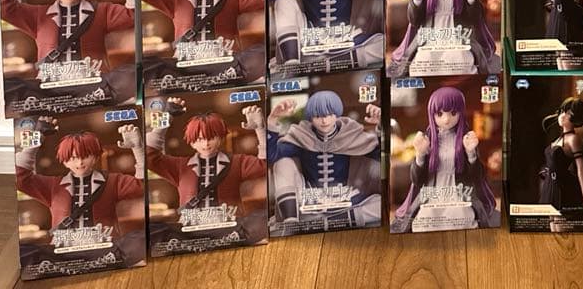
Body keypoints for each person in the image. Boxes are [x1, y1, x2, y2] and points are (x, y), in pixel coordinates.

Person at [0, 0, 136, 108]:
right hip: (52, 87)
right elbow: (3, 6)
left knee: (133, 74)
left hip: (93, 84)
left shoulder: (102, 11)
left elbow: (133, 14)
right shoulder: (39, 15)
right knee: (11, 88)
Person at [15, 115, 145, 266]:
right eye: (72, 158)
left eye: (85, 156)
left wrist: (138, 148)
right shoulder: (53, 185)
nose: (80, 162)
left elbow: (142, 185)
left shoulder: (112, 181)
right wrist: (36, 139)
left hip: (104, 248)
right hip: (63, 251)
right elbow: (20, 178)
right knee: (25, 252)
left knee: (140, 238)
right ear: (64, 161)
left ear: (96, 156)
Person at [145, 98, 267, 244]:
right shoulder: (180, 166)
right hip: (190, 230)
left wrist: (260, 127)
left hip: (229, 228)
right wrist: (166, 116)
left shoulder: (237, 162)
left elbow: (264, 164)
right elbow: (149, 156)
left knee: (261, 218)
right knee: (152, 231)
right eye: (199, 139)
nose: (206, 143)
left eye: (211, 137)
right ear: (191, 142)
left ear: (220, 137)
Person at [267, 90, 381, 234]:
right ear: (310, 117)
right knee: (282, 163)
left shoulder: (351, 135)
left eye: (329, 115)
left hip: (346, 200)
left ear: (337, 114)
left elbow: (381, 155)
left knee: (379, 204)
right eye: (318, 116)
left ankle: (330, 221)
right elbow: (272, 156)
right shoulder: (302, 136)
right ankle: (291, 223)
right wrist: (273, 119)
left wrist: (381, 124)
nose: (324, 121)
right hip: (309, 201)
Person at [391, 85, 498, 233]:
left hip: (459, 192)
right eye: (440, 114)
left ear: (460, 113)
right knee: (424, 221)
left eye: (453, 113)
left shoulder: (466, 139)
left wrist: (471, 154)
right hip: (433, 192)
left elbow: (477, 176)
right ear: (432, 114)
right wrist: (420, 155)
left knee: (460, 217)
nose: (446, 119)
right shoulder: (427, 140)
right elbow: (417, 179)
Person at [538, 97, 583, 212]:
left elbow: (581, 168)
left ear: (575, 117)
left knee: (559, 220)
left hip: (562, 187)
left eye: (568, 113)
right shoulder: (559, 139)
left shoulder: (573, 139)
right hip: (549, 185)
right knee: (551, 220)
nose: (562, 115)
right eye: (562, 111)